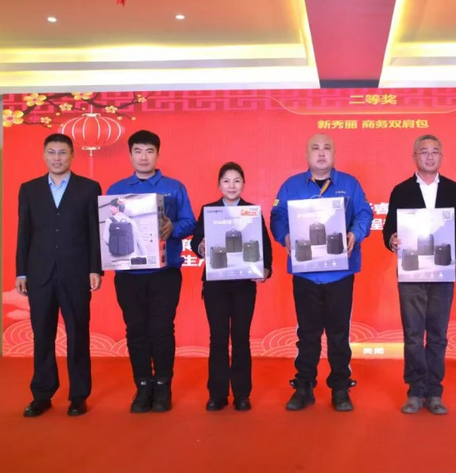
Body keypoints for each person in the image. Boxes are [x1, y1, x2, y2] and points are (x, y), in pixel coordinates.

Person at [270, 133, 372, 412]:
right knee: (307, 334)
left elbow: (365, 213)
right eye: (315, 148)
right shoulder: (291, 186)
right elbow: (277, 217)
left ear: (335, 154)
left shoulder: (350, 184)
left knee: (339, 334)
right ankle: (304, 387)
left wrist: (355, 233)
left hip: (340, 274)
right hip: (306, 274)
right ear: (307, 154)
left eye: (327, 148)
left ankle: (340, 388)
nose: (321, 153)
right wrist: (285, 236)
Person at [107, 130, 196, 413]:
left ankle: (163, 386)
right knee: (135, 330)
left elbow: (190, 222)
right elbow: (105, 227)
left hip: (164, 272)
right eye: (138, 151)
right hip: (128, 274)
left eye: (149, 151)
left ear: (158, 154)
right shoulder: (116, 190)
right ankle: (143, 386)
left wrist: (173, 227)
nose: (143, 157)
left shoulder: (174, 187)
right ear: (130, 155)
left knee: (162, 329)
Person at [16, 133, 102, 417]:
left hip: (76, 273)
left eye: (62, 152)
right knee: (42, 335)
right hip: (39, 274)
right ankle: (42, 394)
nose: (57, 158)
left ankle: (78, 395)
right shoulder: (29, 189)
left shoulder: (89, 188)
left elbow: (94, 231)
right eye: (51, 152)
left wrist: (95, 268)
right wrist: (21, 272)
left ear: (72, 156)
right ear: (44, 155)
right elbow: (24, 233)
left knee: (78, 333)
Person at [382, 134, 456, 415]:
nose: (429, 156)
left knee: (439, 334)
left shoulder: (453, 189)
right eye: (424, 152)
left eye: (434, 152)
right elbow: (389, 229)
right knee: (413, 335)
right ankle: (415, 392)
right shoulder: (401, 190)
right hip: (412, 273)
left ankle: (434, 392)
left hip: (443, 271)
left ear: (441, 156)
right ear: (414, 157)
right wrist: (392, 239)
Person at [191, 162, 273, 412]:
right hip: (215, 285)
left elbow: (265, 245)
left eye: (237, 180)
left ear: (244, 184)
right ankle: (217, 394)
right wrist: (200, 247)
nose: (231, 185)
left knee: (240, 338)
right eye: (226, 181)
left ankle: (242, 394)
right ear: (219, 185)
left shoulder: (251, 211)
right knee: (217, 338)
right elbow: (196, 242)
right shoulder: (209, 211)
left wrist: (266, 269)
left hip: (243, 285)